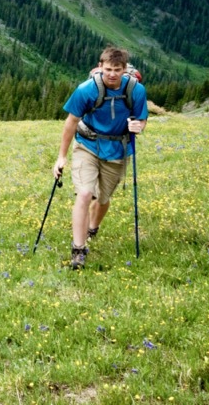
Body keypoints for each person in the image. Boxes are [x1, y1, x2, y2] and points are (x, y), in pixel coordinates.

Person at [53, 46, 148, 270]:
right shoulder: (86, 90)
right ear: (100, 67)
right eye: (108, 69)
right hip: (87, 145)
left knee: (103, 200)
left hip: (117, 149)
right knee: (85, 193)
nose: (112, 74)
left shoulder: (136, 90)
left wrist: (139, 126)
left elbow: (142, 119)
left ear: (125, 69)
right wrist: (61, 157)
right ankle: (78, 249)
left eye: (117, 69)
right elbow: (71, 122)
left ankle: (92, 228)